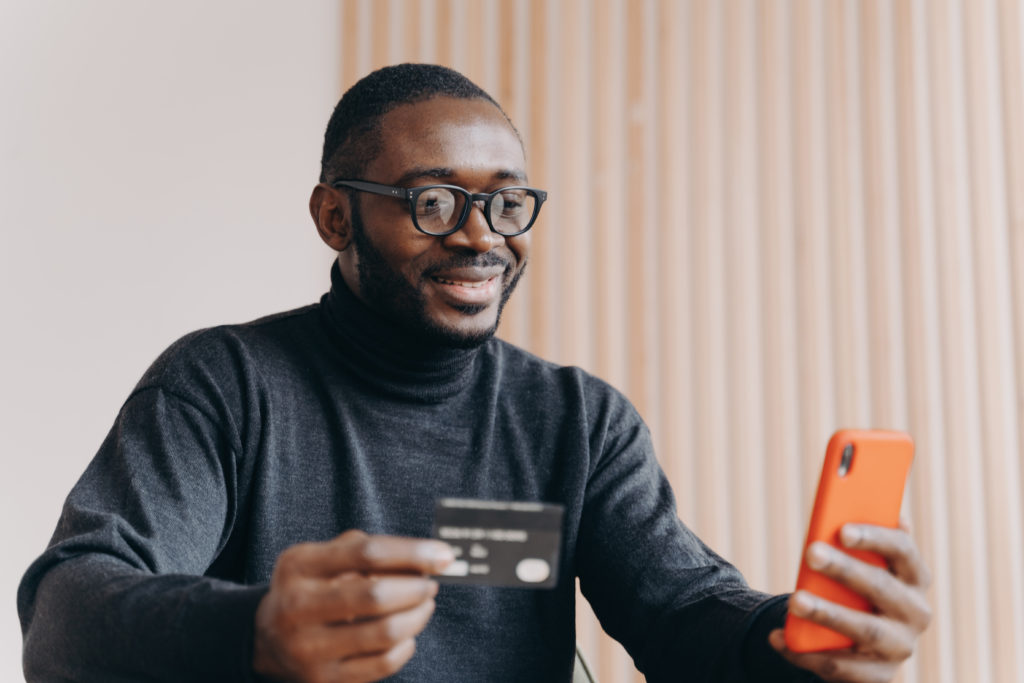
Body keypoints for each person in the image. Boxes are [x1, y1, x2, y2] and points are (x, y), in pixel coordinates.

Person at [18, 63, 931, 683]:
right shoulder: (224, 383)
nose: (480, 234)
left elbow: (683, 609)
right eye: (433, 200)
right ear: (335, 218)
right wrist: (253, 628)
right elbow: (63, 613)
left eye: (504, 201)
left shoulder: (577, 418)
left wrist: (798, 642)